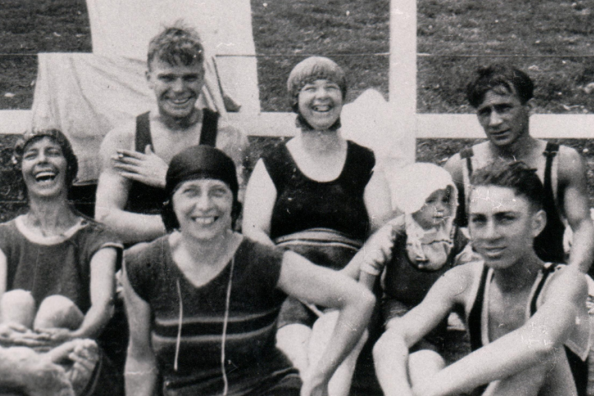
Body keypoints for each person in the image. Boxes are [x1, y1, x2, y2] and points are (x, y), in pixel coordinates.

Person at [123, 145, 375, 396]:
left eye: (218, 192)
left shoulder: (260, 260)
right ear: (171, 201)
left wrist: (320, 378)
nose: (205, 205)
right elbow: (140, 358)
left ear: (233, 200)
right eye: (190, 192)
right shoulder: (143, 265)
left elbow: (359, 300)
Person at [373, 160, 590, 396]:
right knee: (421, 360)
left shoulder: (566, 281)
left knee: (535, 357)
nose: (490, 235)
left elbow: (540, 341)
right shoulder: (464, 280)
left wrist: (428, 389)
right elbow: (393, 339)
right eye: (479, 220)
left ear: (537, 224)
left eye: (505, 218)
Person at [242, 56, 392, 387]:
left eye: (331, 87)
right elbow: (253, 231)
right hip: (288, 286)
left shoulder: (364, 161)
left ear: (343, 97)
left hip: (349, 282)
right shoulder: (274, 162)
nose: (321, 96)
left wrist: (341, 279)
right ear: (294, 100)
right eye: (310, 88)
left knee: (335, 344)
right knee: (294, 347)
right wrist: (299, 278)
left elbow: (382, 230)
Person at [95, 23, 248, 245]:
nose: (178, 89)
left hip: (207, 260)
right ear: (149, 78)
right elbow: (106, 221)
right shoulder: (124, 138)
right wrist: (190, 221)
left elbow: (235, 218)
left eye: (189, 78)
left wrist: (169, 178)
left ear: (203, 77)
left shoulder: (227, 137)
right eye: (167, 78)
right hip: (143, 265)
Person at [0, 130, 123, 395]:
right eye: (32, 155)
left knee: (55, 309)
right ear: (21, 171)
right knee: (14, 303)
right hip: (16, 353)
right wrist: (6, 332)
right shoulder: (4, 236)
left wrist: (76, 337)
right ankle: (41, 376)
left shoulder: (97, 236)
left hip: (74, 350)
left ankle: (42, 375)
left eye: (53, 153)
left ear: (69, 167)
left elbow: (104, 306)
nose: (43, 160)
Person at [444, 63, 594, 274]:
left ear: (529, 108)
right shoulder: (461, 166)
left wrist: (571, 278)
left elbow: (583, 227)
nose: (495, 121)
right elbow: (443, 234)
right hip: (484, 285)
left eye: (504, 108)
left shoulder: (561, 161)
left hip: (549, 279)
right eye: (485, 112)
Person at [342, 163, 471, 356]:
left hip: (435, 308)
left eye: (445, 200)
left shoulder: (452, 236)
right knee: (397, 335)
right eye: (430, 201)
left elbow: (468, 271)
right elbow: (371, 265)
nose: (440, 208)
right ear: (413, 201)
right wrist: (363, 307)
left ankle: (424, 360)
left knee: (427, 346)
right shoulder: (396, 232)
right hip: (399, 304)